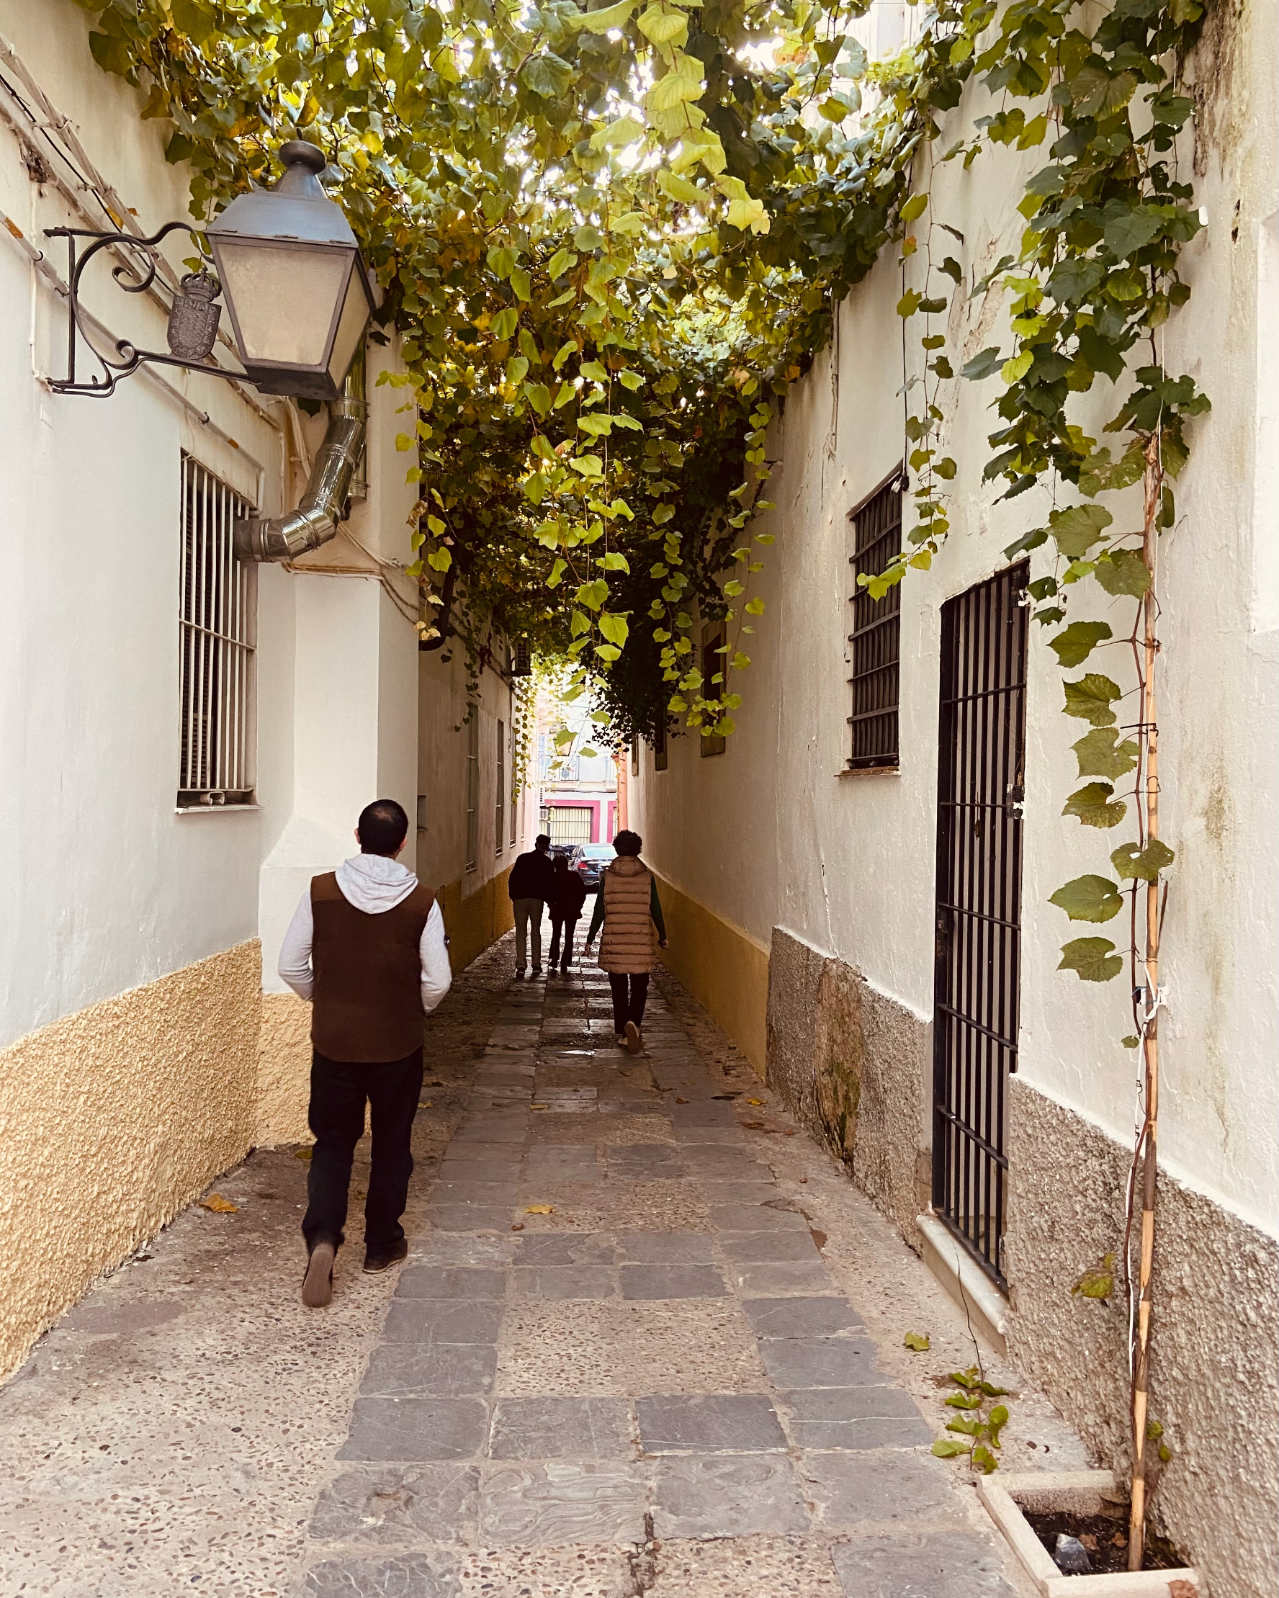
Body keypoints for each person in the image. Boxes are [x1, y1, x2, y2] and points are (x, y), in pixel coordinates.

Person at [278, 799, 451, 1309]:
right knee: (392, 1143)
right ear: (402, 843)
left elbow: (290, 965)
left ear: (357, 836)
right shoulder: (422, 901)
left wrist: (323, 998)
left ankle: (323, 1238)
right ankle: (381, 1244)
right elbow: (438, 979)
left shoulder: (321, 891)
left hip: (335, 1043)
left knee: (332, 1143)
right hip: (398, 1045)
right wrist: (411, 1010)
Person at [584, 829, 667, 1053]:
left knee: (619, 991)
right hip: (640, 942)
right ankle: (634, 1024)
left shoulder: (608, 877)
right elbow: (655, 908)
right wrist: (663, 934)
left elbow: (599, 910)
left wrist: (590, 938)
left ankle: (623, 1032)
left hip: (615, 943)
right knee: (640, 988)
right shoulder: (647, 877)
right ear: (638, 849)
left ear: (617, 849)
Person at [507, 832, 555, 979]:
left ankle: (521, 966)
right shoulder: (547, 862)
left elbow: (512, 878)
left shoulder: (522, 858)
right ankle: (536, 964)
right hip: (536, 900)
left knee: (521, 932)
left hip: (520, 899)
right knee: (536, 931)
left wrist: (514, 896)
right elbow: (549, 884)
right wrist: (549, 901)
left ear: (536, 844)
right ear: (546, 847)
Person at [547, 852, 588, 976]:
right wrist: (578, 906)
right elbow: (582, 893)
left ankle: (554, 959)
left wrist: (551, 904)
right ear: (566, 864)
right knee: (569, 936)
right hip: (571, 910)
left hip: (557, 909)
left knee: (556, 934)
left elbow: (548, 894)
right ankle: (565, 961)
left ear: (555, 865)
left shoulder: (552, 877)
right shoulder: (574, 876)